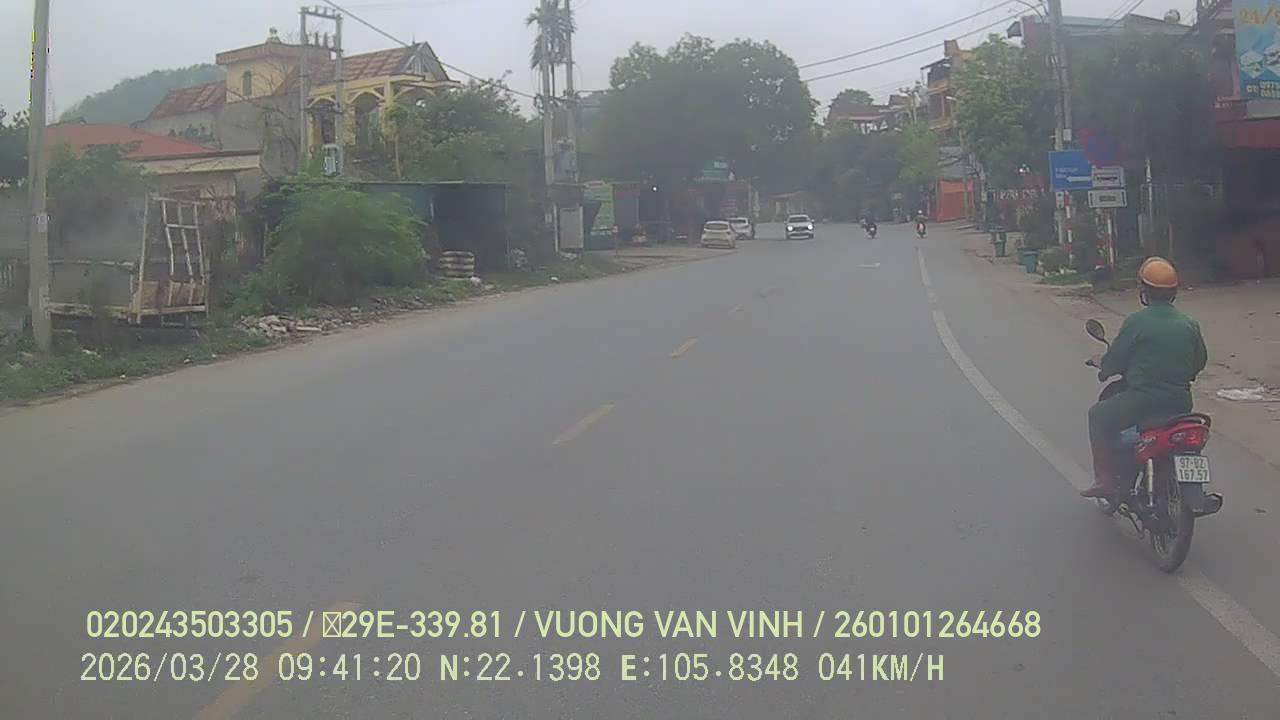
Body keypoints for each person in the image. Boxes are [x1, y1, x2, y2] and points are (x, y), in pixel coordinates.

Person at [1080, 257, 1208, 498]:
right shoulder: (1189, 324)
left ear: (1144, 291)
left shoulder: (1137, 322)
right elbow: (1199, 361)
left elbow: (1116, 360)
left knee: (1097, 416)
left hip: (1142, 400)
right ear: (1174, 292)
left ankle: (1104, 480)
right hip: (1180, 402)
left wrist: (1103, 366)